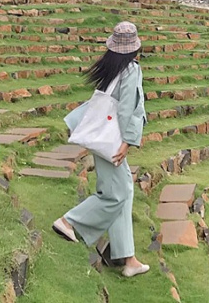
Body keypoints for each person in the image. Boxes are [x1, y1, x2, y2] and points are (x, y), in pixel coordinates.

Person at [53, 20, 149, 278]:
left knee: (124, 190)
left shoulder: (112, 67)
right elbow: (128, 108)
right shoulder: (131, 70)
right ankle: (69, 221)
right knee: (114, 194)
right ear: (134, 48)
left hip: (102, 136)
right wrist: (127, 142)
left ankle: (127, 257)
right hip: (112, 141)